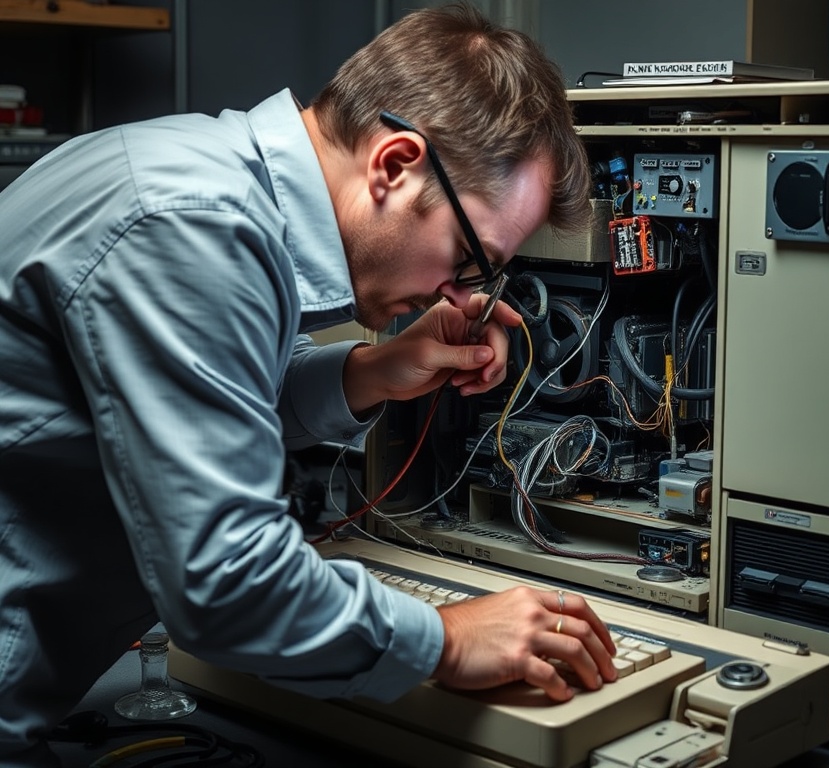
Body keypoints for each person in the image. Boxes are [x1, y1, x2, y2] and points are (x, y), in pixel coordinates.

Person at [0, 4, 618, 765]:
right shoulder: (196, 226)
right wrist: (448, 639)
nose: (456, 295)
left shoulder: (196, 169)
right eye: (468, 259)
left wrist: (374, 371)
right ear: (394, 165)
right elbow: (225, 586)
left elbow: (201, 403)